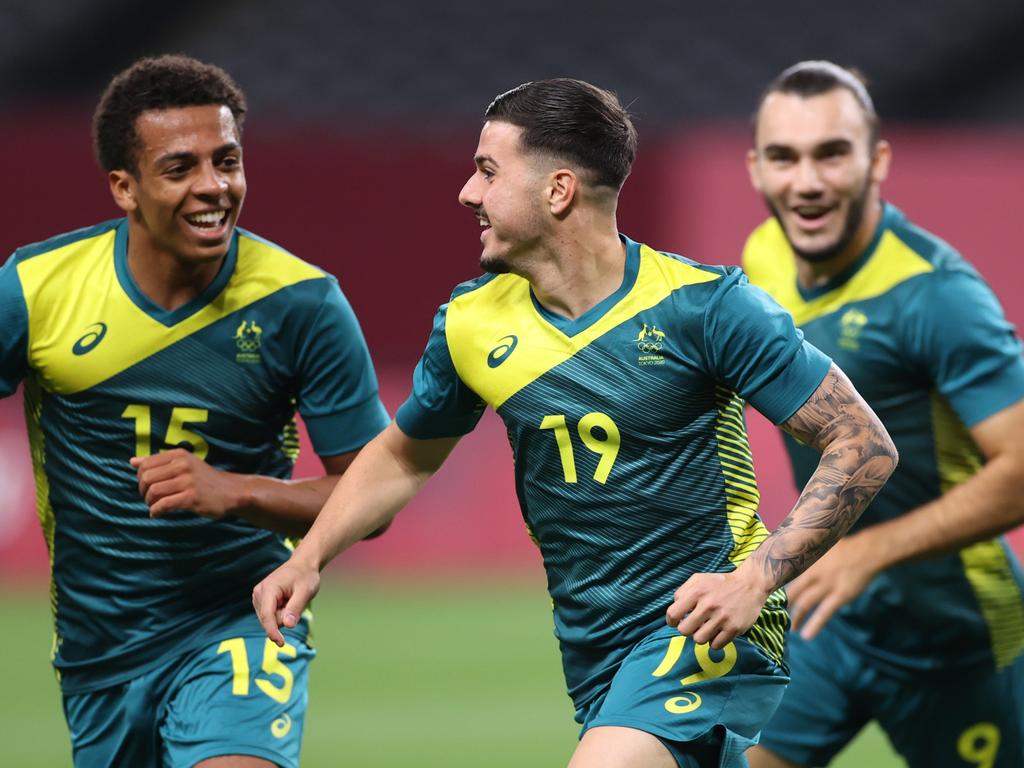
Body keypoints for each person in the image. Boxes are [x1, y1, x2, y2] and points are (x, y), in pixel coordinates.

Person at [252, 78, 896, 768]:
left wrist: (756, 580)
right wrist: (309, 555)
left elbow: (862, 443)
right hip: (594, 649)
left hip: (711, 623)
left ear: (558, 191)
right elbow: (405, 457)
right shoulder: (472, 323)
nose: (468, 193)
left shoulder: (705, 309)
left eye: (488, 172)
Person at [0, 55, 390, 767]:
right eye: (180, 168)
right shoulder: (36, 288)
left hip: (240, 620)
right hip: (100, 649)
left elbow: (374, 496)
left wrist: (233, 491)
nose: (213, 187)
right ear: (125, 187)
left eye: (227, 161)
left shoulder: (301, 303)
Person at [742, 60, 1024, 768]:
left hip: (958, 638)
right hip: (826, 618)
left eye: (832, 153)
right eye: (785, 157)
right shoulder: (763, 257)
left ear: (878, 161)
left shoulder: (935, 295)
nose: (806, 182)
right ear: (755, 169)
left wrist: (871, 548)